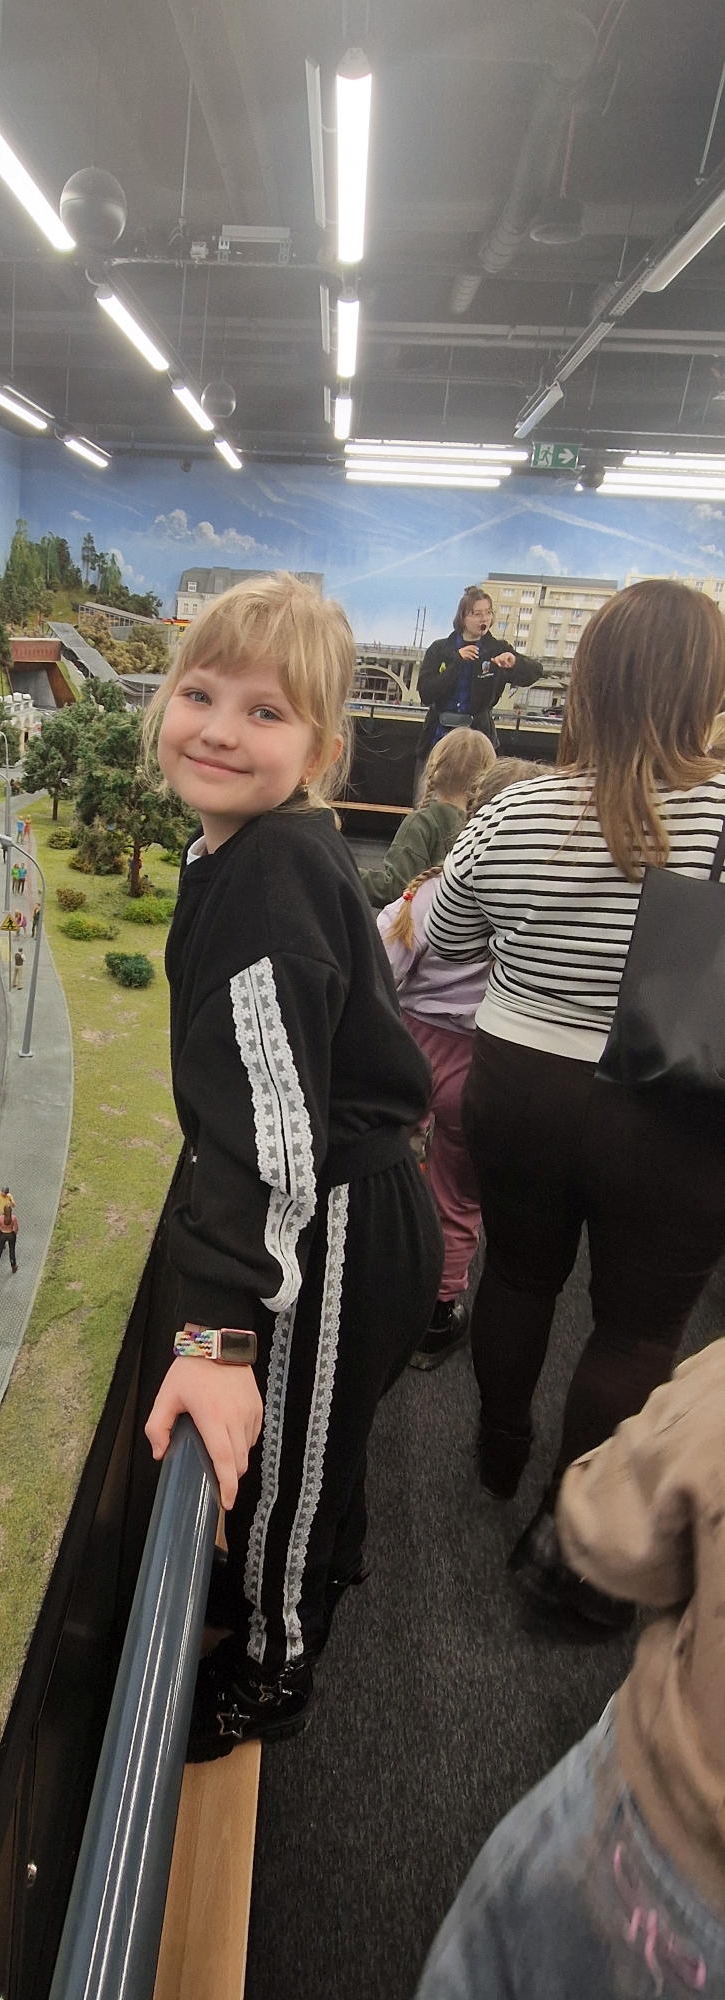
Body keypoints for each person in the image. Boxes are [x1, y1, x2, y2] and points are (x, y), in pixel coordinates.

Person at [141, 573, 442, 1759]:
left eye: (264, 711)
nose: (219, 728)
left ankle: (273, 1667)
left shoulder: (266, 876)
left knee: (287, 1469)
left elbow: (267, 1136)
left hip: (340, 1212)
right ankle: (303, 1577)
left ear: (318, 750)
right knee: (317, 1447)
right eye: (200, 693)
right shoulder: (250, 848)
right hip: (354, 1192)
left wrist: (215, 1338)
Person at [425, 579, 725, 1630]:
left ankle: (498, 1449)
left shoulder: (516, 806)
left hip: (522, 1085)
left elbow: (448, 938)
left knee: (517, 1273)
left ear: (587, 678)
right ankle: (575, 1525)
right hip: (677, 1108)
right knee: (637, 1333)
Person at [415, 1343, 725, 2000]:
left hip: (663, 1831)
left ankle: (501, 1459)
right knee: (636, 1328)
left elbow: (613, 1529)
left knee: (492, 1966)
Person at [377, 759, 537, 1367]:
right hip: (487, 1059)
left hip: (412, 1047)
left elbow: (384, 971)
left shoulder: (429, 893)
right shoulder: (542, 910)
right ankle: (436, 1315)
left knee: (388, 1168)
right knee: (458, 1196)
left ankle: (377, 1279)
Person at [360, 728, 496, 908]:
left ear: (434, 767)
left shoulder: (421, 823)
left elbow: (394, 889)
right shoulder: (486, 830)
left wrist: (346, 871)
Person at [416, 585, 542, 757]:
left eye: (488, 612)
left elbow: (535, 672)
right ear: (463, 618)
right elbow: (426, 694)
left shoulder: (496, 649)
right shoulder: (440, 649)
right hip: (439, 734)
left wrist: (514, 663)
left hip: (479, 734)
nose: (484, 619)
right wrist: (456, 664)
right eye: (477, 614)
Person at [0, 1196, 18, 1273]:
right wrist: (14, 1234)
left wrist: (0, 1232)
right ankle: (13, 1267)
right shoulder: (13, 1218)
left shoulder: (0, 1218)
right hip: (11, 1234)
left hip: (3, 1234)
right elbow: (16, 1228)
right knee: (12, 1250)